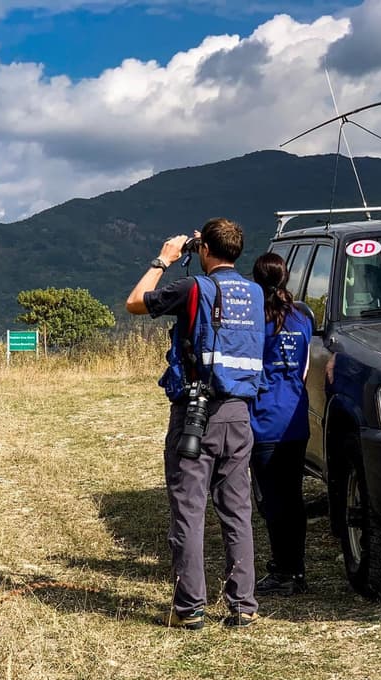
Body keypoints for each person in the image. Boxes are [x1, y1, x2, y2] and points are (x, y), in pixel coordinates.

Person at [126, 218, 265, 630]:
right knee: (237, 510)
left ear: (204, 250)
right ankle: (243, 604)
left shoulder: (194, 288)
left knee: (189, 509)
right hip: (240, 412)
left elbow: (135, 302)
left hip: (196, 413)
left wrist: (163, 259)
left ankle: (190, 608)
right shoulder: (254, 292)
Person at [249, 252, 312, 596]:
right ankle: (297, 569)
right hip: (296, 417)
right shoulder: (301, 318)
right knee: (293, 497)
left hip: (263, 419)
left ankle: (282, 569)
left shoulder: (256, 321)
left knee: (271, 501)